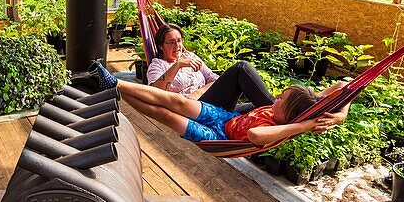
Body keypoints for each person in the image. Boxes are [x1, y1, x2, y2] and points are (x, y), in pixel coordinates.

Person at [91, 62, 349, 146]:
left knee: (166, 115)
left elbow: (254, 134)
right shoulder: (282, 111)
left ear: (291, 115)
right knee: (175, 101)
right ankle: (115, 84)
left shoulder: (277, 128)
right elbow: (345, 88)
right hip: (223, 117)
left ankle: (116, 92)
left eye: (281, 99)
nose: (275, 98)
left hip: (218, 136)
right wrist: (340, 116)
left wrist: (303, 127)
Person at [148, 23, 281, 114]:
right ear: (161, 46)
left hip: (208, 105)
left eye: (179, 40)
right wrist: (178, 65)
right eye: (171, 42)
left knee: (258, 107)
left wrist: (197, 93)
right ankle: (280, 110)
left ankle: (281, 110)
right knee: (241, 68)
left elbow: (213, 79)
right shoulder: (158, 65)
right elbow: (155, 93)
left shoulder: (190, 56)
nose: (177, 45)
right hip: (192, 111)